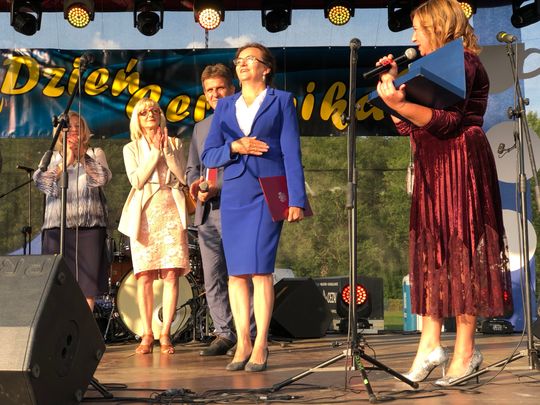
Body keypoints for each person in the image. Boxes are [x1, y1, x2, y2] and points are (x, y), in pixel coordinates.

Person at [375, 0, 512, 386]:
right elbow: (408, 126)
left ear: (439, 27)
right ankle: (430, 344)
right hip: (432, 163)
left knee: (463, 249)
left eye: (418, 28)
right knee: (433, 251)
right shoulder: (426, 67)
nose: (412, 37)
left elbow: (450, 122)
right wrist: (392, 93)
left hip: (461, 159)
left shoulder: (464, 62)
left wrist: (402, 103)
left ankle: (466, 351)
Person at [202, 43, 308, 372]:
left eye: (251, 59)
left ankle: (261, 342)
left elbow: (291, 152)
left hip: (267, 191)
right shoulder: (225, 105)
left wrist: (296, 199)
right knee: (236, 273)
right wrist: (235, 146)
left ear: (266, 68)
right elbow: (209, 154)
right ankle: (243, 341)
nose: (243, 64)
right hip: (234, 193)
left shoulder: (282, 100)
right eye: (240, 60)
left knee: (261, 269)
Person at [118, 98, 190, 355]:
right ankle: (147, 333)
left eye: (155, 111)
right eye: (144, 112)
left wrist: (167, 151)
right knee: (145, 275)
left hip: (171, 211)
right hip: (144, 215)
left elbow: (183, 176)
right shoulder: (131, 148)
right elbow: (136, 180)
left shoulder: (176, 143)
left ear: (161, 116)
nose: (150, 114)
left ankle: (166, 333)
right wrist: (155, 153)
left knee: (171, 274)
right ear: (137, 120)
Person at [33, 111, 111, 311]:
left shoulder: (95, 153)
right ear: (60, 131)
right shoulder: (51, 157)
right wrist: (64, 163)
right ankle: (59, 328)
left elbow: (101, 179)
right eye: (69, 126)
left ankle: (82, 328)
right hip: (56, 228)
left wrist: (81, 156)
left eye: (78, 126)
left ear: (85, 130)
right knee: (55, 285)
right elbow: (40, 182)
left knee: (87, 286)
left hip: (89, 228)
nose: (74, 129)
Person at [186, 64, 239, 356]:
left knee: (241, 274)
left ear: (232, 89)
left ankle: (249, 334)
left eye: (220, 88)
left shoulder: (244, 122)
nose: (214, 94)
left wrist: (219, 186)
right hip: (207, 213)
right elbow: (192, 168)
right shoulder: (201, 127)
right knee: (213, 276)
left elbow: (247, 166)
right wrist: (196, 185)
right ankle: (224, 333)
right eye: (209, 90)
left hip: (237, 208)